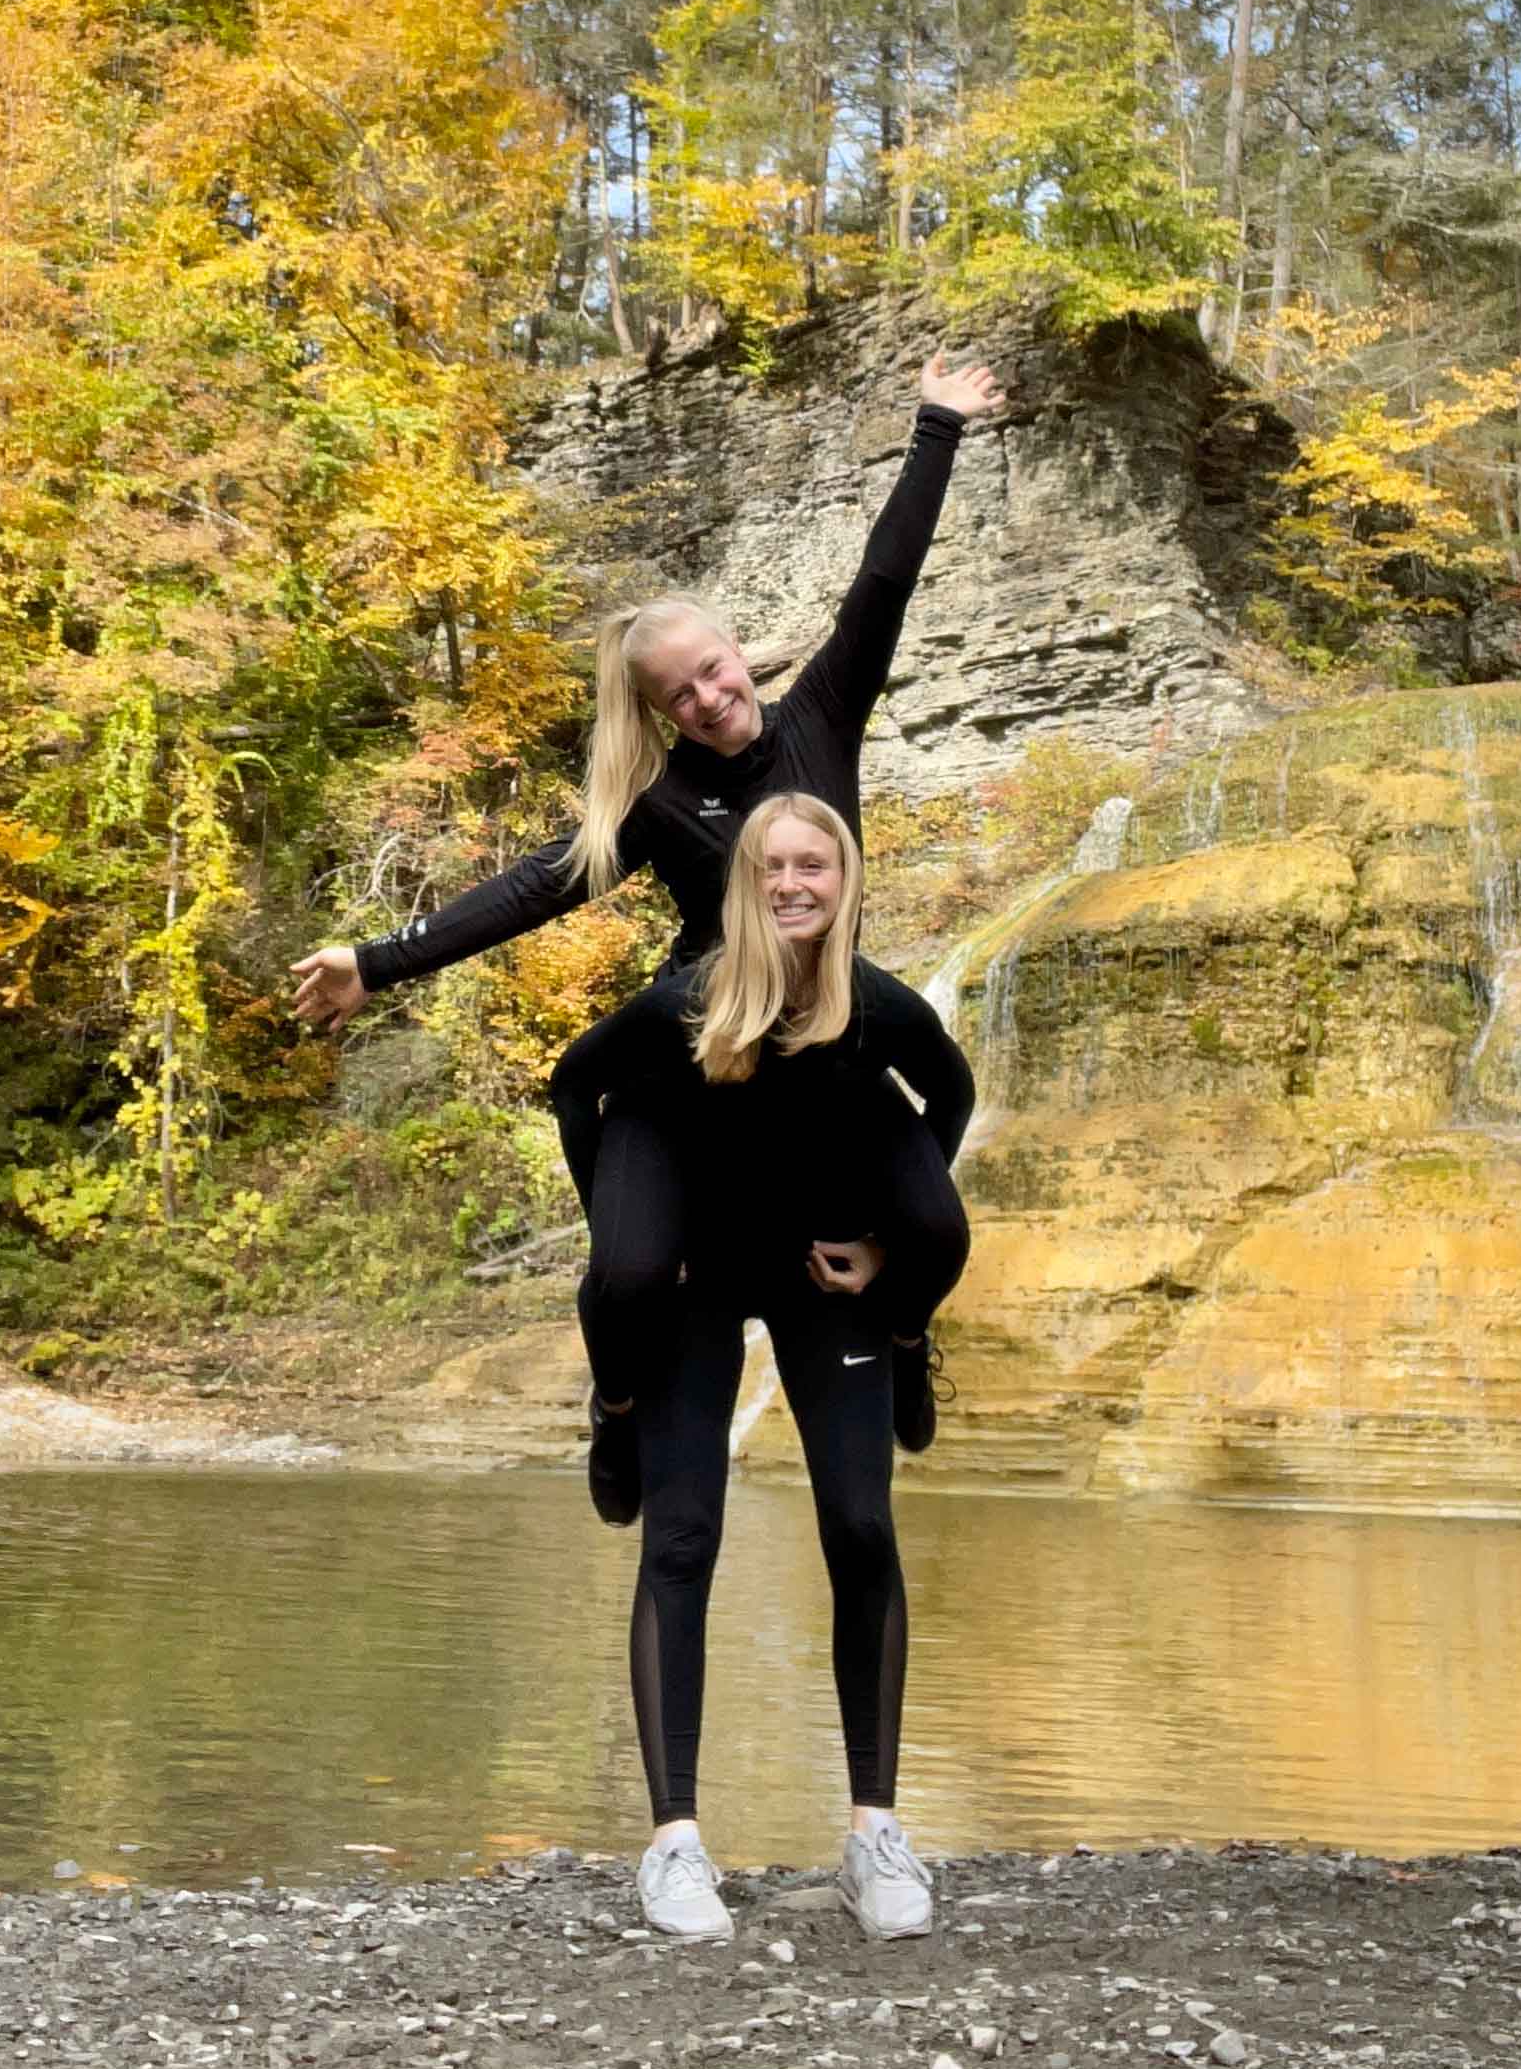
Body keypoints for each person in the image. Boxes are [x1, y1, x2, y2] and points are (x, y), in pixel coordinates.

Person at [292, 350, 1003, 1512]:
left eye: (715, 672)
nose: (712, 699)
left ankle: (908, 1336)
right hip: (712, 1044)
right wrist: (378, 960)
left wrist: (937, 425)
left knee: (928, 1220)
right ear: (661, 709)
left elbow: (885, 581)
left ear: (736, 652)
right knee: (630, 1266)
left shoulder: (823, 709)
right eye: (682, 694)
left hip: (833, 1025)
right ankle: (619, 1404)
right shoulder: (660, 800)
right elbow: (533, 888)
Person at [595, 792, 972, 1945]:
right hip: (696, 1284)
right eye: (774, 865)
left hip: (822, 1280)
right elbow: (578, 1085)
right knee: (683, 1537)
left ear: (844, 880)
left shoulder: (881, 1004)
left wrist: (887, 1244)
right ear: (743, 884)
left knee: (861, 1526)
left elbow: (949, 1094)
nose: (795, 883)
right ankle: (673, 1845)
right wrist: (620, 1239)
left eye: (817, 864)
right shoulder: (683, 1000)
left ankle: (874, 1834)